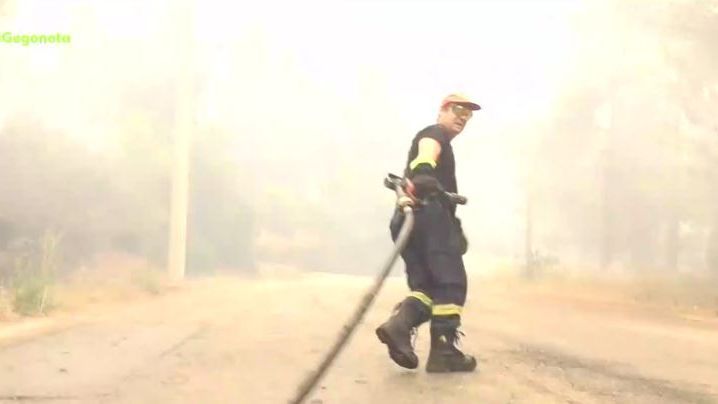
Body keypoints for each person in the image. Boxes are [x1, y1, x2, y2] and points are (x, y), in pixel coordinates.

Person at [376, 93, 480, 373]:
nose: (462, 117)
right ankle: (444, 352)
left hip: (408, 219)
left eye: (468, 114)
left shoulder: (440, 140)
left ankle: (399, 326)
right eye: (457, 110)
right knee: (450, 284)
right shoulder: (434, 134)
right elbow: (427, 150)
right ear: (442, 111)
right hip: (429, 215)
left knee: (427, 288)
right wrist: (423, 171)